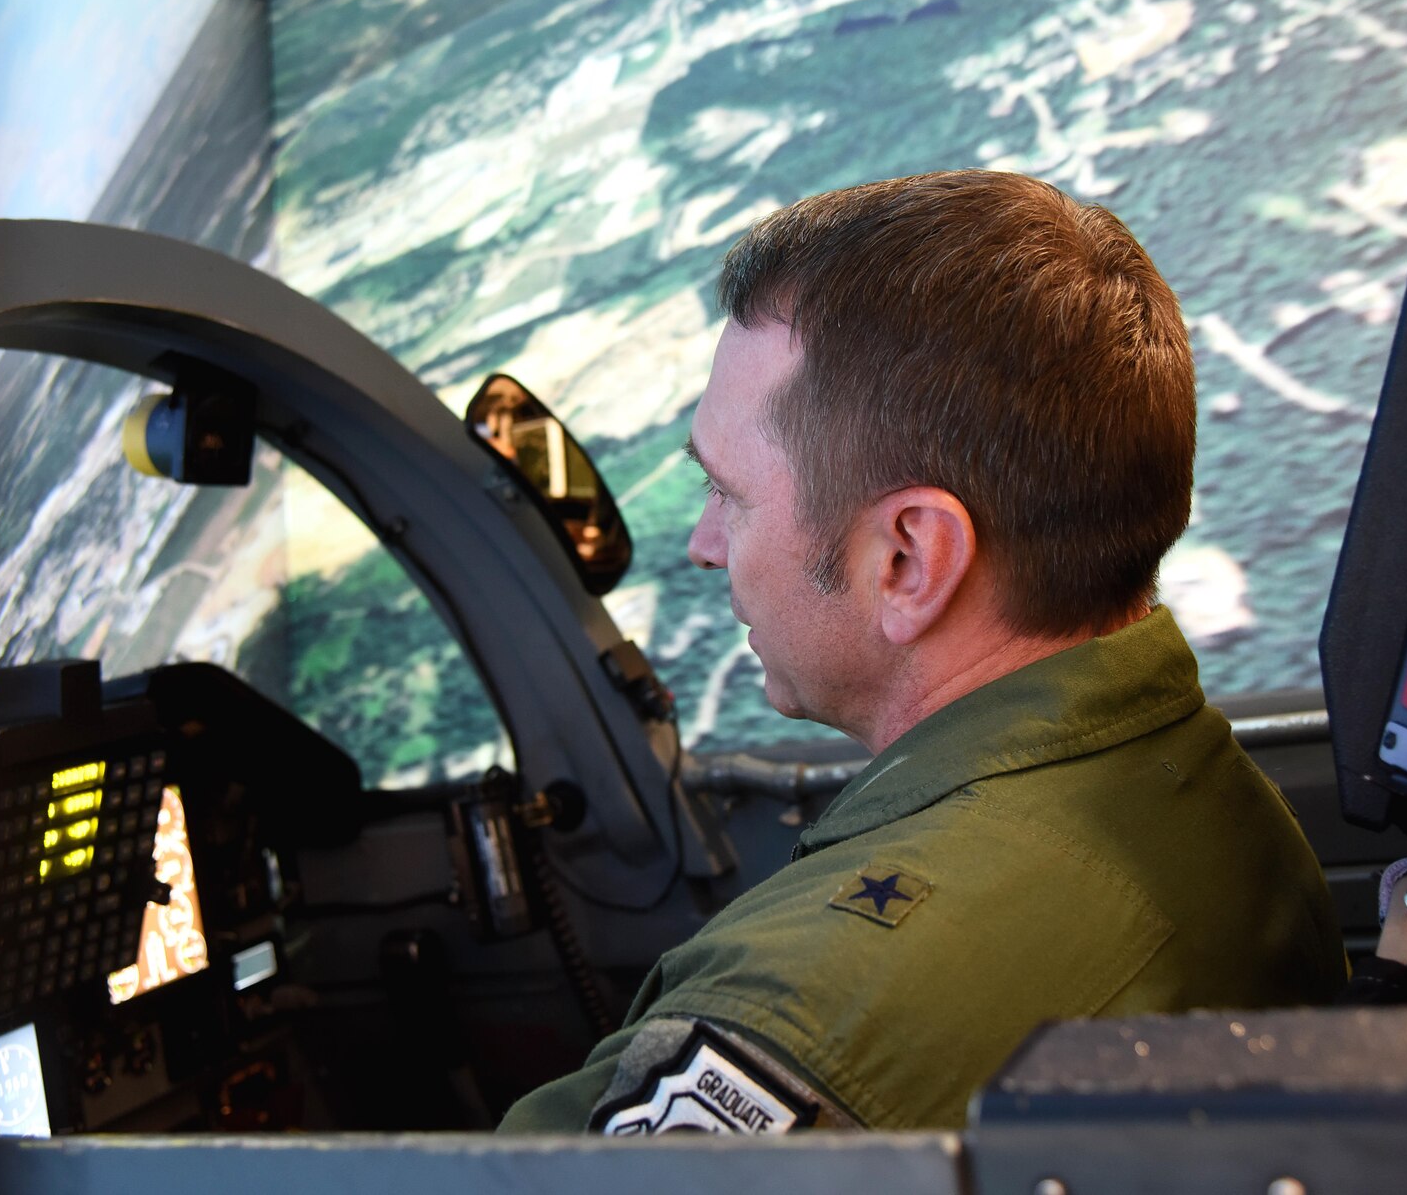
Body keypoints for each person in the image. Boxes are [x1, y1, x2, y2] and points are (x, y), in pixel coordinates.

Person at [497, 170, 1346, 1134]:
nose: (702, 543)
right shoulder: (1220, 803)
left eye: (726, 494)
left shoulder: (794, 1018)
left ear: (909, 558)